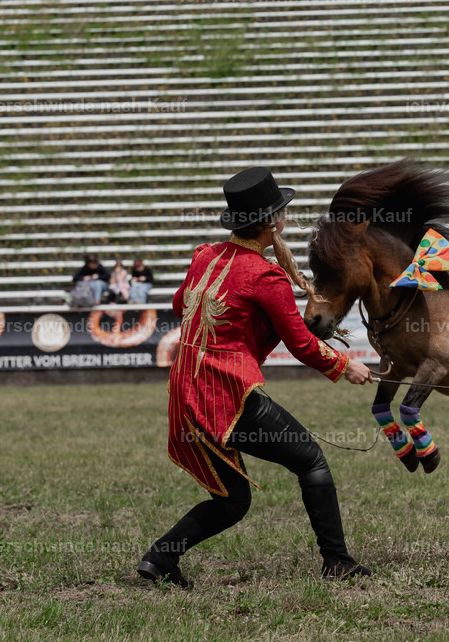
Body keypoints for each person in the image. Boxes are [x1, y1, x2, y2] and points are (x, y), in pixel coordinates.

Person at [138, 167, 375, 589]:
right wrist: (346, 365)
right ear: (272, 222)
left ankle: (159, 558)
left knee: (232, 501)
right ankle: (336, 561)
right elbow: (302, 344)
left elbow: (182, 306)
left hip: (187, 390)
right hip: (229, 393)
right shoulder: (266, 277)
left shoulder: (205, 256)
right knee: (311, 461)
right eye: (282, 211)